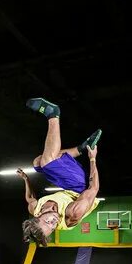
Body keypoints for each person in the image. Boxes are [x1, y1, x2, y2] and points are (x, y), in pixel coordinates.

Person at [17, 98, 102, 246]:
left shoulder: (34, 209)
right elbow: (93, 188)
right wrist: (92, 159)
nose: (54, 222)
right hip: (81, 187)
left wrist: (26, 179)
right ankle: (53, 114)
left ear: (38, 216)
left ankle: (80, 148)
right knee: (47, 162)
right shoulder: (72, 215)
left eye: (48, 222)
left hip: (66, 186)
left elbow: (30, 198)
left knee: (37, 163)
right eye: (53, 227)